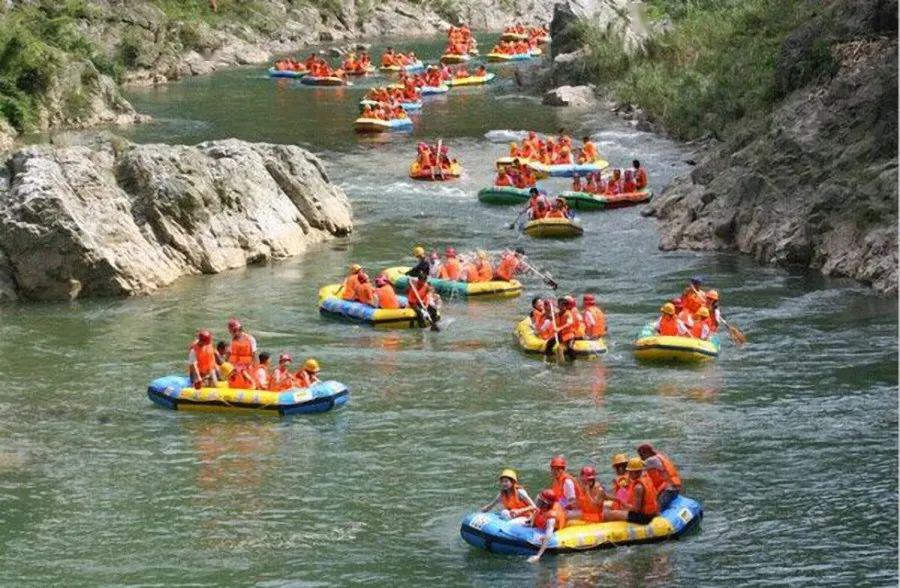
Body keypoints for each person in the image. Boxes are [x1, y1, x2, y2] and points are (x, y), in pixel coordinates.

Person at [602, 458, 660, 525]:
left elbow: (636, 510)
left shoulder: (638, 487)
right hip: (652, 513)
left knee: (607, 514)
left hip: (644, 517)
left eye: (629, 471)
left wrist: (625, 506)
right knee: (609, 508)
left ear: (635, 472)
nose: (628, 474)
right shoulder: (646, 477)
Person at [636, 444, 683, 510]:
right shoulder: (659, 456)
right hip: (675, 488)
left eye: (641, 455)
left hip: (669, 491)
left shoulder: (651, 460)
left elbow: (635, 469)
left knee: (656, 508)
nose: (641, 458)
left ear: (647, 453)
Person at [526, 489, 567, 563]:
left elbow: (548, 536)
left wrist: (538, 556)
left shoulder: (551, 518)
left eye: (539, 500)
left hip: (554, 529)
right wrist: (531, 523)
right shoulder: (543, 507)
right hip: (542, 523)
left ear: (545, 503)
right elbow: (536, 511)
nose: (537, 500)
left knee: (537, 537)